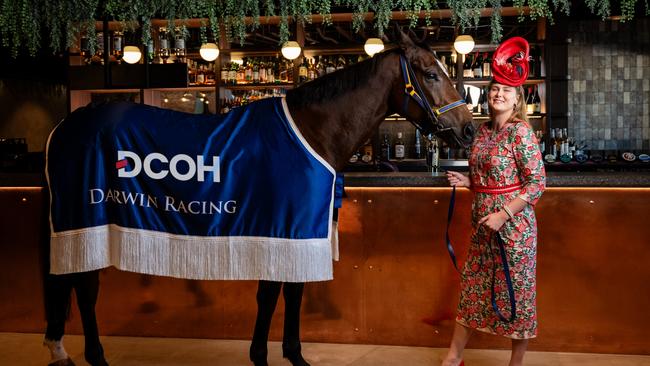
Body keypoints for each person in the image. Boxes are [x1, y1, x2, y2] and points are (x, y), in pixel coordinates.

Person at [443, 37, 546, 366]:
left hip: (514, 231)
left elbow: (536, 184)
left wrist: (503, 214)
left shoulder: (521, 133)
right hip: (482, 229)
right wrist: (470, 182)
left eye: (505, 90)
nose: (498, 94)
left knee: (518, 293)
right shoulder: (483, 132)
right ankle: (453, 357)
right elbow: (493, 179)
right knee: (472, 292)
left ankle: (516, 363)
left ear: (517, 99)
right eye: (494, 89)